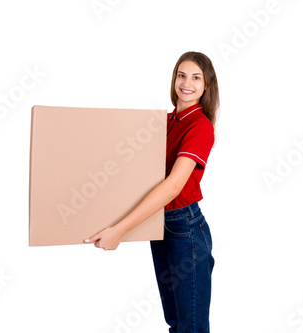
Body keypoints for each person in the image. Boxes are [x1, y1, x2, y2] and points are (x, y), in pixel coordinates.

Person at [84, 51, 219, 332]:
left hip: (185, 229)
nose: (187, 83)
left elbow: (171, 187)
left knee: (191, 327)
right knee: (176, 322)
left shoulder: (200, 126)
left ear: (206, 85)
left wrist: (119, 230)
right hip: (160, 224)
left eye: (196, 77)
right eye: (181, 75)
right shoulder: (166, 121)